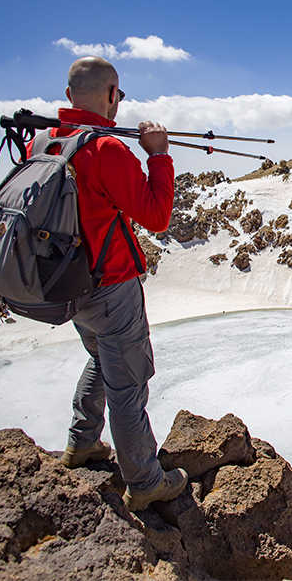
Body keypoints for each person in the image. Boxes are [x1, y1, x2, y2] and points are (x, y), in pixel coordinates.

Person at [28, 56, 187, 511]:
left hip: (68, 284)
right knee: (129, 383)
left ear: (67, 96)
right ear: (113, 95)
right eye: (119, 95)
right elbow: (156, 217)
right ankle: (143, 480)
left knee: (100, 358)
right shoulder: (105, 149)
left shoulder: (44, 142)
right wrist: (157, 155)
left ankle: (81, 443)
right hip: (110, 285)